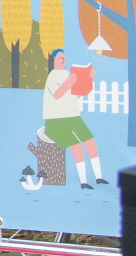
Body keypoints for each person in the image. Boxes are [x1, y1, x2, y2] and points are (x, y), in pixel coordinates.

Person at [40, 47, 106, 188]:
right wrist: (71, 81)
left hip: (72, 116)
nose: (62, 59)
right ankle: (83, 181)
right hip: (57, 120)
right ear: (53, 60)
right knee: (77, 148)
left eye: (63, 57)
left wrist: (88, 78)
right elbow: (57, 94)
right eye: (59, 57)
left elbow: (76, 95)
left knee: (90, 143)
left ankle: (99, 177)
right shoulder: (53, 76)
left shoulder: (67, 74)